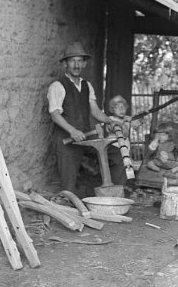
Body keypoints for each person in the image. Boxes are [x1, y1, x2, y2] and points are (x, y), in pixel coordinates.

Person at [47, 42, 125, 194]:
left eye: (79, 61)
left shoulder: (87, 85)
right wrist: (72, 130)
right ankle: (68, 205)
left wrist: (110, 121)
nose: (76, 65)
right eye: (72, 61)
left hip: (85, 137)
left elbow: (95, 111)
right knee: (68, 188)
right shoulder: (57, 86)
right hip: (67, 141)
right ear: (65, 64)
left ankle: (116, 193)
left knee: (116, 155)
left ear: (84, 63)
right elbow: (55, 115)